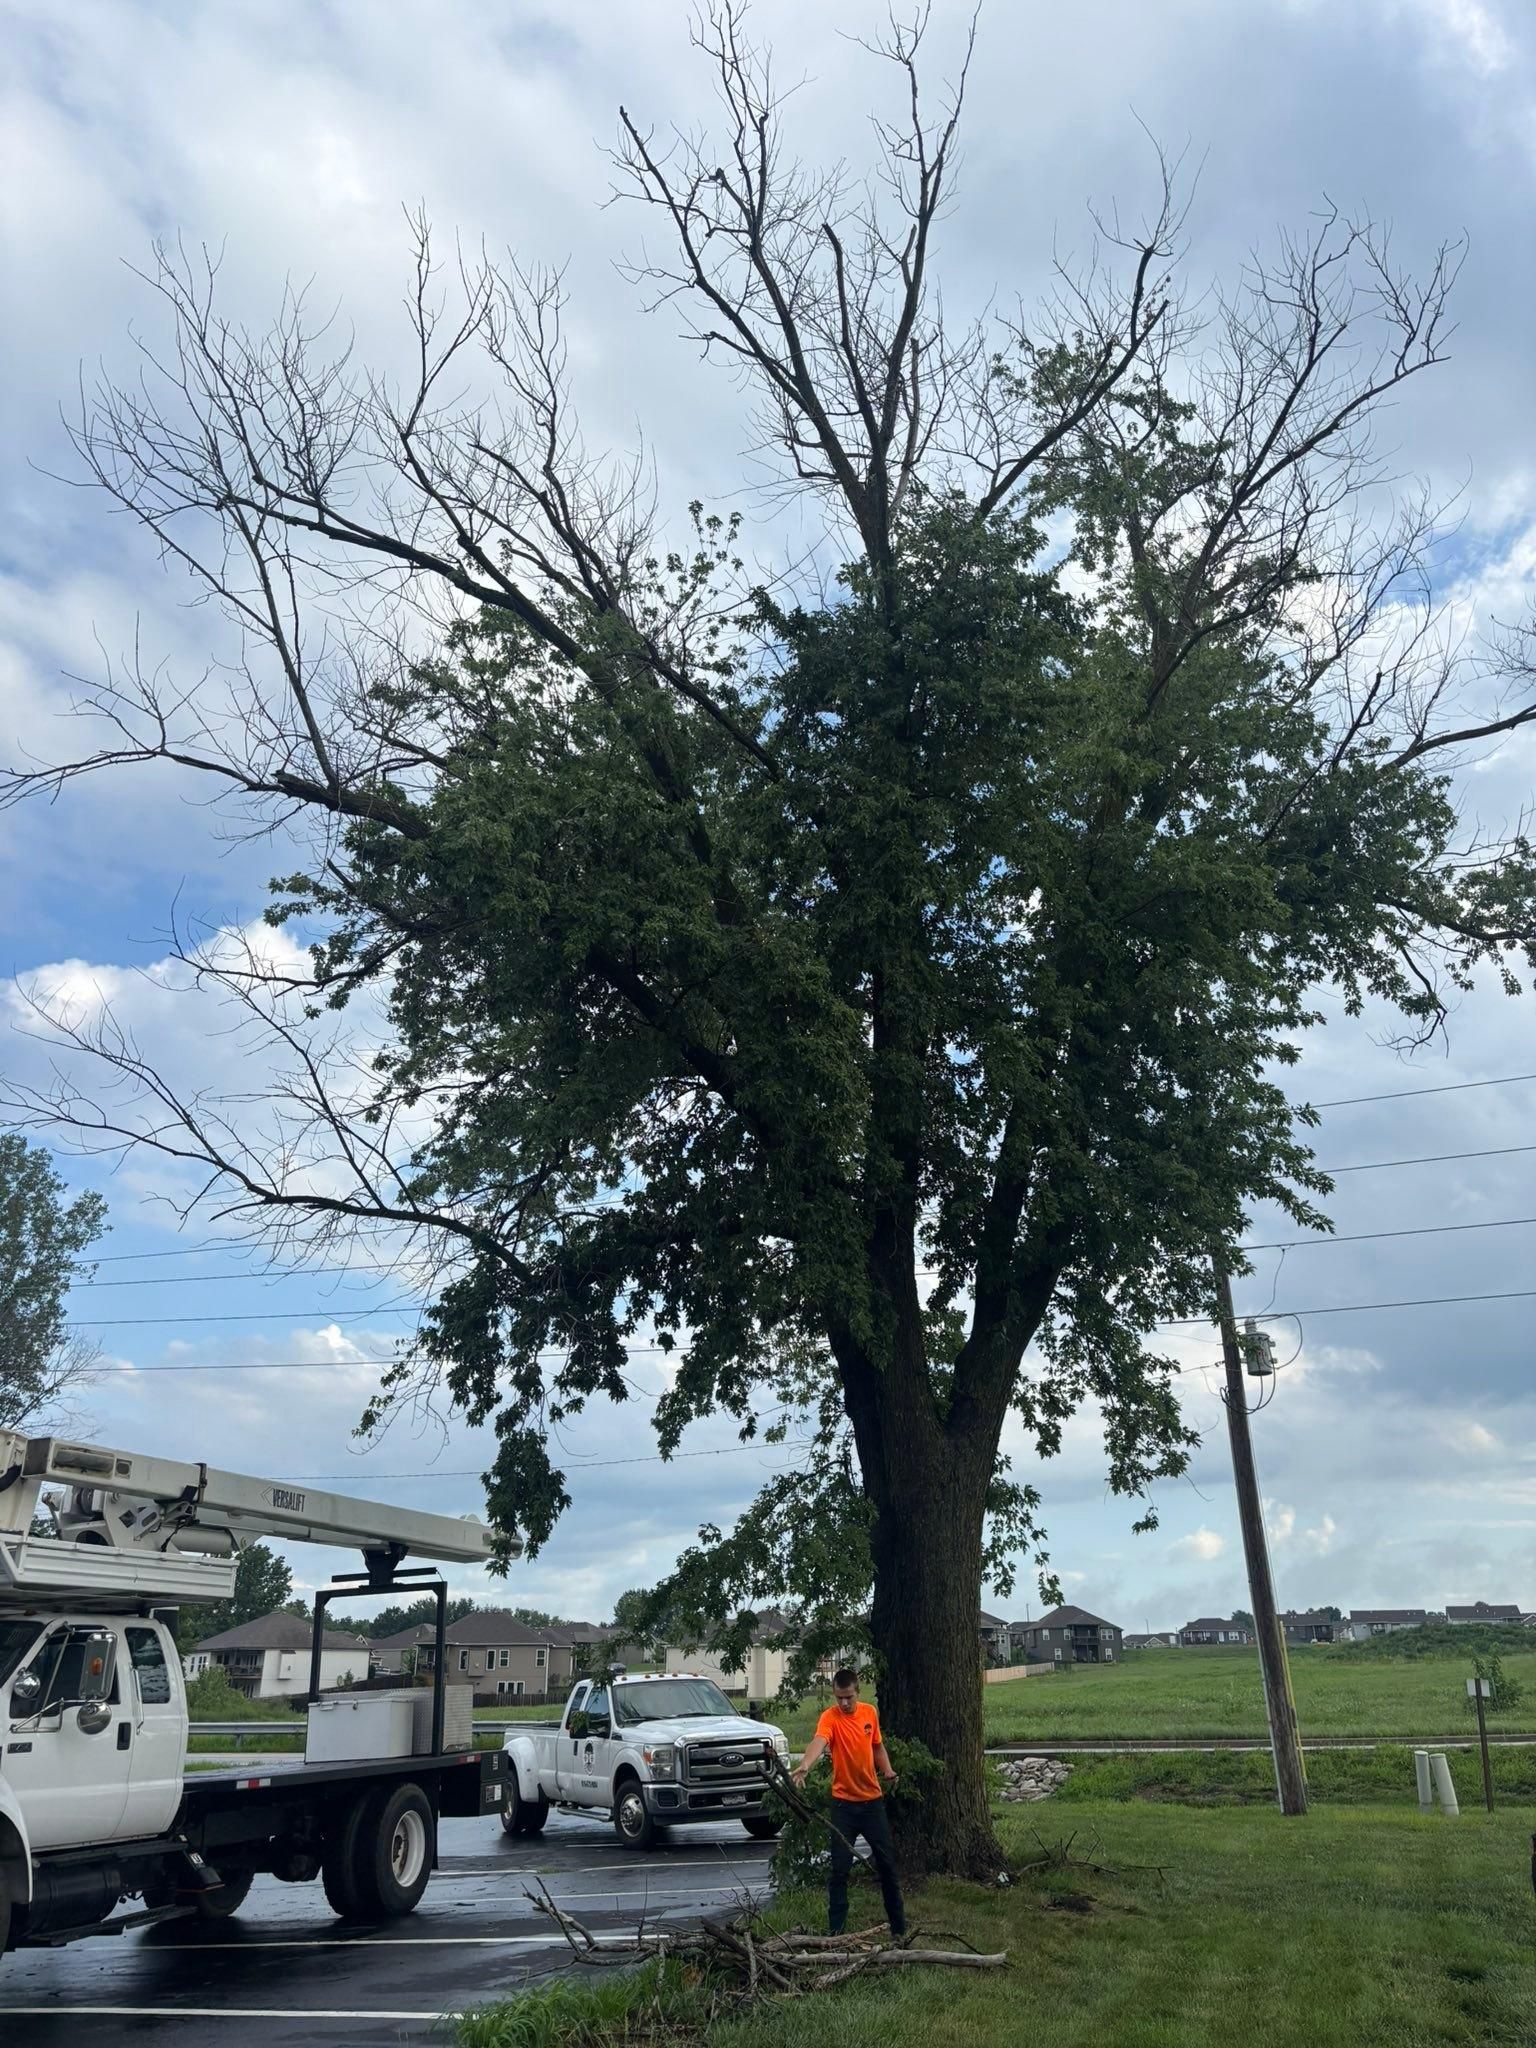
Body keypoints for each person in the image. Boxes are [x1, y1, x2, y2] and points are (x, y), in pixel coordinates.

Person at [790, 1667, 907, 1939]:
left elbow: (877, 1745)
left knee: (887, 1866)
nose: (843, 1703)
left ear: (858, 1693)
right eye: (839, 1698)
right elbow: (819, 1742)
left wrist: (887, 1770)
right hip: (843, 1805)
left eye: (848, 1698)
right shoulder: (829, 1718)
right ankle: (836, 1934)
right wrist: (805, 1765)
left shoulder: (869, 1713)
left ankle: (899, 1930)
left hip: (872, 1803)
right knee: (839, 1870)